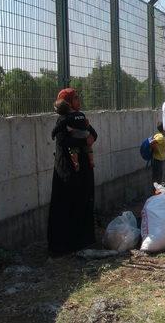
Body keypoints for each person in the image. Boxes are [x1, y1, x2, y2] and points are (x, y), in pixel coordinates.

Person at [48, 88, 98, 255]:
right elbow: (63, 141)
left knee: (84, 200)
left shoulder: (80, 118)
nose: (79, 100)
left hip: (83, 168)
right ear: (67, 102)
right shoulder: (63, 120)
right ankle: (66, 245)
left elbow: (93, 134)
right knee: (67, 204)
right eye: (76, 98)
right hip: (67, 170)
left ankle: (84, 240)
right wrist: (84, 139)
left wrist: (90, 137)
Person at [52, 98, 95, 171]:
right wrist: (87, 131)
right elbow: (93, 134)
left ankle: (75, 162)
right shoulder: (81, 114)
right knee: (89, 149)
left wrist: (53, 134)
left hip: (76, 138)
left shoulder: (65, 118)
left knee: (73, 150)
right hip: (86, 135)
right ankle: (91, 161)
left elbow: (59, 132)